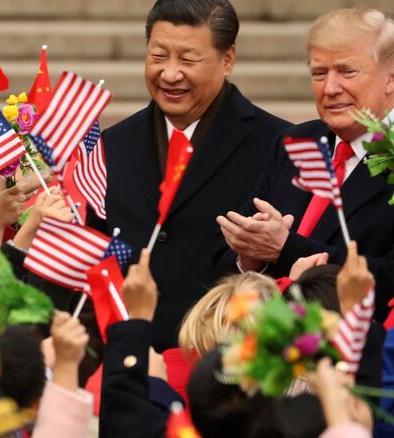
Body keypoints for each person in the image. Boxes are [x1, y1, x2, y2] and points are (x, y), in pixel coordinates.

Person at [213, 7, 394, 321]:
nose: (330, 88)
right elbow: (223, 260)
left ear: (392, 78)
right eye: (319, 73)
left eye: (347, 71)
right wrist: (248, 258)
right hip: (267, 350)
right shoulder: (294, 143)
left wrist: (285, 248)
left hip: (371, 360)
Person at [87, 0, 290, 351]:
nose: (169, 74)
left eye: (187, 59)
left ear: (227, 59)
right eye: (158, 56)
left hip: (226, 360)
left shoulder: (277, 144)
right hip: (126, 355)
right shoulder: (112, 145)